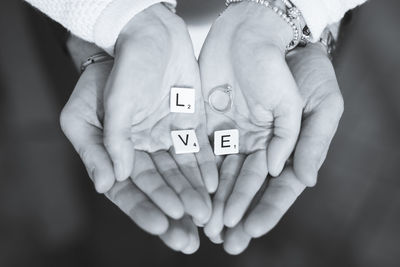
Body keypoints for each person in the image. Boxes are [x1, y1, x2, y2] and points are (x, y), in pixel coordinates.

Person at [25, 0, 365, 254]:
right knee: (122, 186)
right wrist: (111, 14)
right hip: (98, 48)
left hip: (281, 55)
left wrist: (301, 13)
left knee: (244, 206)